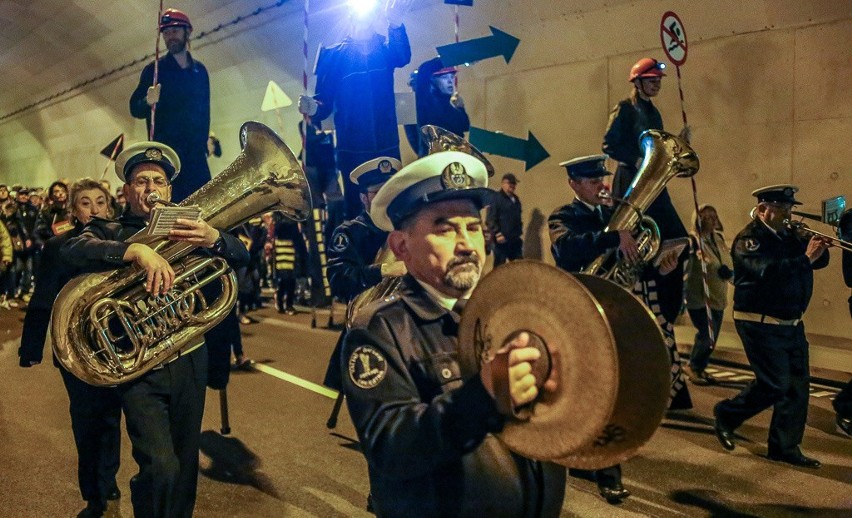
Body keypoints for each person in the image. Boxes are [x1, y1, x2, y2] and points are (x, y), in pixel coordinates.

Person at [342, 150, 566, 516]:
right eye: (444, 228)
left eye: (473, 227)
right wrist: (483, 396)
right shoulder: (380, 329)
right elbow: (392, 447)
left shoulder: (506, 313)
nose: (466, 244)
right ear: (401, 246)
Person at [62, 141, 249, 517]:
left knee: (184, 464)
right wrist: (135, 252)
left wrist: (215, 238)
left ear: (169, 190)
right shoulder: (110, 229)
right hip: (141, 365)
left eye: (159, 181)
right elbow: (73, 248)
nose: (151, 188)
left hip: (189, 358)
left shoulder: (191, 227)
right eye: (142, 181)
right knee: (160, 466)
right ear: (128, 191)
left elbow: (243, 256)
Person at [547, 155, 680, 503]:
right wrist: (612, 238)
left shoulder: (614, 217)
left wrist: (660, 269)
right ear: (573, 184)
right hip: (579, 313)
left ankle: (607, 467)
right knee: (582, 392)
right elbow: (566, 249)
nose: (602, 185)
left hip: (615, 315)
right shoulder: (563, 216)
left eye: (602, 179)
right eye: (592, 181)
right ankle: (583, 457)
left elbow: (633, 263)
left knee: (611, 393)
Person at [19, 178, 121, 518]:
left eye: (100, 202)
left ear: (110, 206)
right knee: (85, 419)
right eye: (85, 203)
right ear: (73, 210)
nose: (94, 210)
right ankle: (93, 493)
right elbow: (43, 296)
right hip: (73, 349)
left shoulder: (122, 241)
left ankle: (107, 477)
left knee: (111, 416)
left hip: (113, 345)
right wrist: (30, 348)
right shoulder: (58, 246)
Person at [713, 185, 830, 468]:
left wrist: (816, 246)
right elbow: (765, 272)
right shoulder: (750, 239)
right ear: (763, 208)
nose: (788, 213)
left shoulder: (790, 235)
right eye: (782, 207)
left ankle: (784, 447)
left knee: (797, 389)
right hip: (759, 322)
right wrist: (805, 258)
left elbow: (819, 262)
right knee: (775, 383)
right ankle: (727, 414)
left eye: (790, 208)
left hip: (791, 323)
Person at [298, 0, 413, 219]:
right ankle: (356, 250)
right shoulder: (334, 57)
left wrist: (396, 25)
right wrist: (313, 107)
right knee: (356, 207)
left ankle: (393, 250)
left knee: (392, 203)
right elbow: (324, 101)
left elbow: (402, 56)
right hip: (352, 148)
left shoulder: (384, 50)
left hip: (386, 143)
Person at [602, 57, 691, 329]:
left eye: (658, 81)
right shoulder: (625, 109)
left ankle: (667, 308)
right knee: (629, 245)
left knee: (678, 238)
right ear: (638, 82)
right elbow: (609, 144)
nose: (656, 85)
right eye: (652, 80)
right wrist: (636, 160)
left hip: (652, 183)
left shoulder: (654, 113)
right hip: (631, 181)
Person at [323, 157, 404, 392]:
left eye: (389, 192)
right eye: (377, 193)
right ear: (363, 198)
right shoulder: (349, 233)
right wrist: (382, 270)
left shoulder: (405, 227)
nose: (384, 199)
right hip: (371, 326)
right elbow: (339, 280)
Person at [130, 8, 211, 203]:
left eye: (174, 31)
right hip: (167, 154)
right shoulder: (155, 70)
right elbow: (134, 108)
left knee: (205, 202)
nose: (170, 37)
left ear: (187, 32)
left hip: (195, 155)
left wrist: (203, 141)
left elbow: (205, 112)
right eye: (166, 33)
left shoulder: (200, 71)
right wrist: (146, 102)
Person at [683, 204, 733, 384]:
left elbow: (725, 260)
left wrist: (729, 273)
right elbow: (687, 269)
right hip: (700, 298)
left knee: (712, 338)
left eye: (714, 216)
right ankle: (694, 367)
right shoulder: (692, 241)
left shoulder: (717, 238)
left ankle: (700, 367)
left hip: (717, 296)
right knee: (707, 334)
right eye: (706, 217)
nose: (711, 220)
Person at [414, 57, 470, 157]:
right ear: (432, 81)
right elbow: (424, 70)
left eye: (452, 77)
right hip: (433, 163)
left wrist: (461, 108)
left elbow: (465, 126)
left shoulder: (452, 108)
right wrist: (454, 57)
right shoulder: (427, 103)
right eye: (444, 77)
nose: (450, 81)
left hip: (454, 161)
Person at [486, 173, 523, 266]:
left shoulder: (516, 199)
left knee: (519, 266)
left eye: (514, 184)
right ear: (503, 184)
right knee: (499, 267)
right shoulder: (496, 199)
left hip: (514, 239)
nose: (513, 186)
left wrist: (518, 232)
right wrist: (497, 233)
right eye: (510, 183)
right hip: (501, 241)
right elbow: (490, 219)